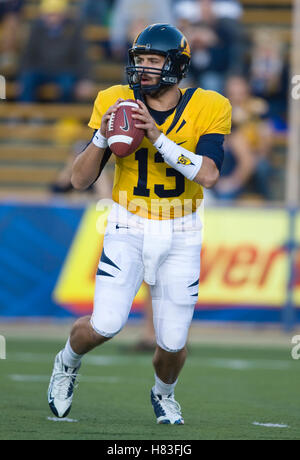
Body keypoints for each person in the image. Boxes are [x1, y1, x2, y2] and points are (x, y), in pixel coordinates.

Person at [47, 23, 232, 425]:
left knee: (172, 340)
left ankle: (164, 394)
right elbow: (79, 181)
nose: (143, 69)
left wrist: (157, 137)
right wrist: (101, 138)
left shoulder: (210, 105)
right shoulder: (114, 99)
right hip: (127, 223)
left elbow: (210, 175)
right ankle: (66, 362)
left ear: (176, 65)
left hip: (182, 229)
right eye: (140, 60)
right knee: (106, 324)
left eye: (153, 61)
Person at [18, 0, 93, 103]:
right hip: (40, 69)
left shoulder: (73, 30)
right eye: (48, 15)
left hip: (64, 71)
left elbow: (81, 56)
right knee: (27, 81)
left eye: (55, 15)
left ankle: (63, 116)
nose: (51, 19)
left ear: (63, 15)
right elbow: (28, 55)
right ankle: (27, 115)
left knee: (67, 86)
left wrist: (85, 79)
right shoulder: (36, 29)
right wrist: (21, 77)